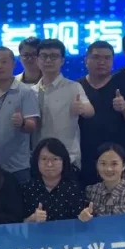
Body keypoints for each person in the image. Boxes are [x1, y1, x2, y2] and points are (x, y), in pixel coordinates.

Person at [20, 138, 86, 249]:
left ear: (64, 162)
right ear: (36, 161)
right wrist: (31, 219)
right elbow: (17, 226)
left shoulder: (73, 188)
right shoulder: (27, 188)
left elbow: (82, 229)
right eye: (44, 159)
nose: (49, 164)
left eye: (55, 159)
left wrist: (84, 218)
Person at [78, 41, 125, 186]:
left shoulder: (122, 83)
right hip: (84, 155)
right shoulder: (77, 86)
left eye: (107, 58)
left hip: (115, 156)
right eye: (96, 57)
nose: (101, 62)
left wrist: (124, 107)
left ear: (112, 61)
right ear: (86, 60)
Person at [31, 39, 95, 168]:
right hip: (40, 157)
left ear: (62, 60)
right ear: (37, 60)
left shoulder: (74, 87)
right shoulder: (31, 91)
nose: (48, 60)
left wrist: (82, 108)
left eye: (54, 56)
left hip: (68, 157)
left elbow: (90, 111)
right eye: (44, 56)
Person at [0, 47, 39, 183]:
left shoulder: (25, 92)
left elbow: (32, 125)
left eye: (4, 62)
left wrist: (22, 123)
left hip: (17, 167)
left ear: (13, 64)